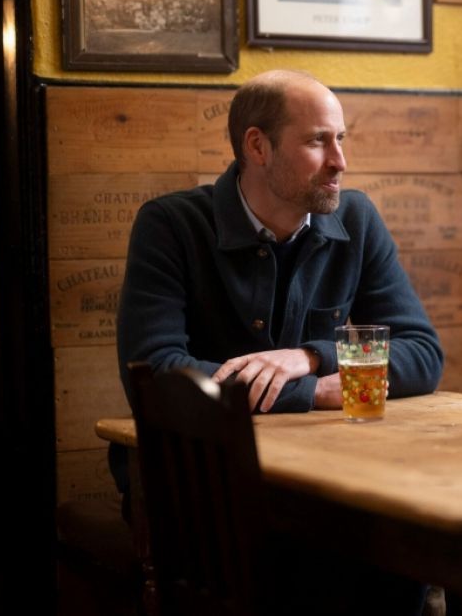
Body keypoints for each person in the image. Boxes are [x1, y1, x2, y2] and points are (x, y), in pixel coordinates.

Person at [115, 69, 444, 614]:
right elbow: (157, 374)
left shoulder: (356, 220)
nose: (340, 160)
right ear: (258, 146)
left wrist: (310, 354)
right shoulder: (171, 226)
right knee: (320, 569)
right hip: (200, 482)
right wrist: (309, 392)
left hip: (331, 476)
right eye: (319, 141)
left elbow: (421, 353)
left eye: (341, 139)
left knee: (399, 561)